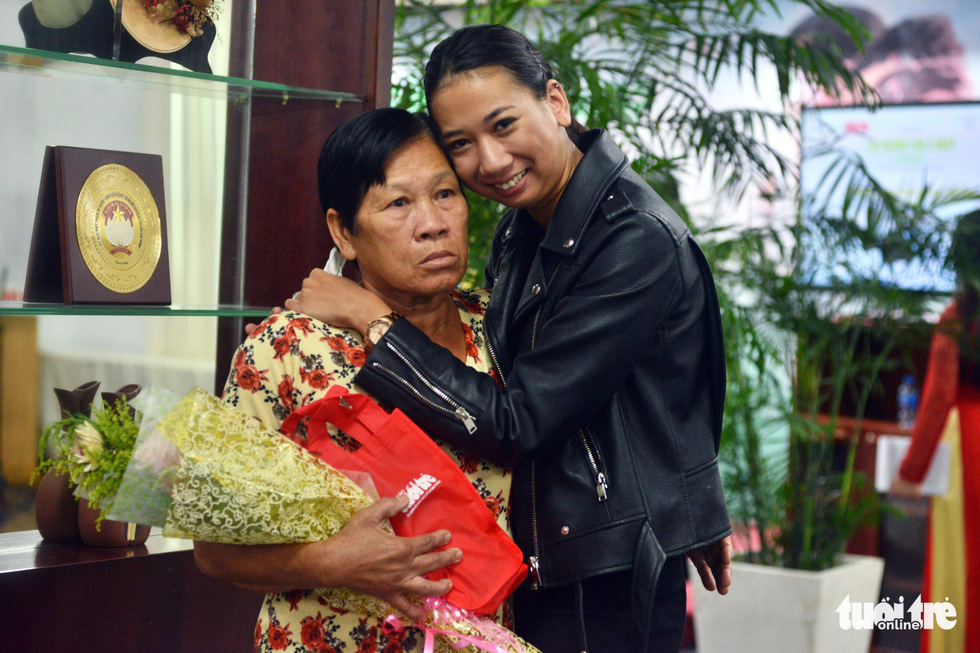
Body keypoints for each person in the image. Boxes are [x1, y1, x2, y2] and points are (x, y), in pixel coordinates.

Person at [286, 24, 733, 653]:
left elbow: (521, 416)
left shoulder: (632, 238)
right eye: (461, 144)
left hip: (600, 567)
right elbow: (633, 385)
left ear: (555, 102)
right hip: (549, 556)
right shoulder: (524, 229)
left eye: (503, 125)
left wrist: (372, 320)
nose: (489, 162)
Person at [195, 107, 523, 652]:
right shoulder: (285, 351)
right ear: (343, 232)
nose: (433, 223)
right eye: (398, 203)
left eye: (445, 194)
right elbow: (215, 547)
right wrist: (335, 561)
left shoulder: (501, 330)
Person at [890, 209, 980, 653]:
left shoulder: (959, 317)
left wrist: (910, 471)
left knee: (957, 567)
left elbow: (938, 399)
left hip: (969, 449)